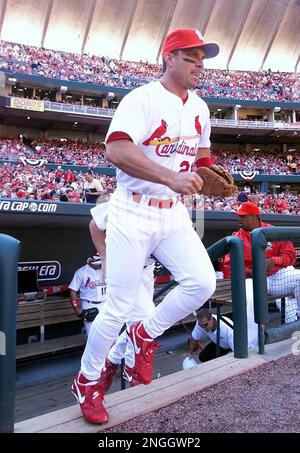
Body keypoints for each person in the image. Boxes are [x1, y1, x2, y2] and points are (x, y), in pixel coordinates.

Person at [72, 28, 220, 424]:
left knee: (202, 282)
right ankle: (87, 380)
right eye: (190, 58)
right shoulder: (142, 99)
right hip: (132, 209)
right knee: (118, 305)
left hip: (172, 212)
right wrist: (169, 178)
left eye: (202, 59)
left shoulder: (201, 108)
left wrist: (210, 174)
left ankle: (144, 334)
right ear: (168, 58)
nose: (199, 65)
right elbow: (116, 149)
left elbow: (201, 156)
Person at [88, 201, 156, 388]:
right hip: (125, 267)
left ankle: (111, 360)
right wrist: (104, 256)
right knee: (146, 317)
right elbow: (94, 225)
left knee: (138, 323)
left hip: (147, 268)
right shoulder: (126, 199)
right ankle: (130, 369)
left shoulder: (164, 202)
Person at [220, 201, 300, 336]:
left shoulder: (272, 231)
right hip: (252, 281)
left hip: (276, 276)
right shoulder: (236, 238)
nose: (239, 219)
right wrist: (247, 272)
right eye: (239, 216)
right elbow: (228, 268)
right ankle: (252, 342)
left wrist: (275, 260)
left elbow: (290, 255)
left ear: (255, 217)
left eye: (243, 216)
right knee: (248, 301)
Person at [69, 254, 106, 335]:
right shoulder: (81, 272)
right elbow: (72, 291)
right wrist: (77, 308)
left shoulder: (106, 269)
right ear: (91, 262)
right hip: (89, 305)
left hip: (105, 304)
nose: (100, 265)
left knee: (112, 336)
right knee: (91, 335)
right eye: (98, 263)